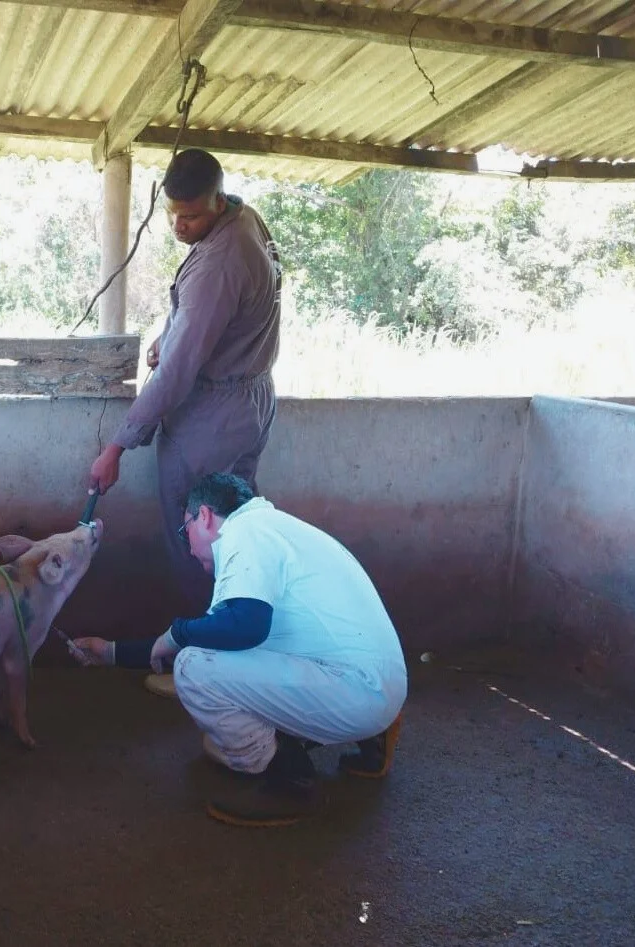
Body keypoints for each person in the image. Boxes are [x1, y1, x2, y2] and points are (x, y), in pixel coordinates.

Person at [70, 473, 408, 828]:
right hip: (376, 685)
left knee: (194, 670)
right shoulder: (273, 529)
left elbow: (243, 627)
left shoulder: (245, 532)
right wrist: (111, 652)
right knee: (216, 709)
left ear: (204, 516)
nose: (189, 549)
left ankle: (292, 782)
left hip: (357, 690)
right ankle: (372, 738)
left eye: (186, 532)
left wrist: (178, 633)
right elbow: (216, 636)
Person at [87, 149, 282, 624]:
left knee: (197, 533)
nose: (179, 226)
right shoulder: (245, 218)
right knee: (237, 526)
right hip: (253, 399)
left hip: (212, 414)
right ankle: (244, 628)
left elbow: (175, 375)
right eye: (172, 214)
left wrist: (116, 446)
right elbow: (216, 317)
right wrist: (172, 335)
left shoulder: (219, 264)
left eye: (190, 217)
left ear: (217, 200)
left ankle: (202, 638)